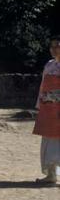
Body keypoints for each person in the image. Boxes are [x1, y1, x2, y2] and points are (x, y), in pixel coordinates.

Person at [33, 36, 60, 184]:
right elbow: (43, 86)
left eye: (58, 46)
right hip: (48, 108)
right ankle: (51, 174)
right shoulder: (49, 65)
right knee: (48, 141)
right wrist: (40, 105)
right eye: (52, 47)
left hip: (59, 108)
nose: (54, 49)